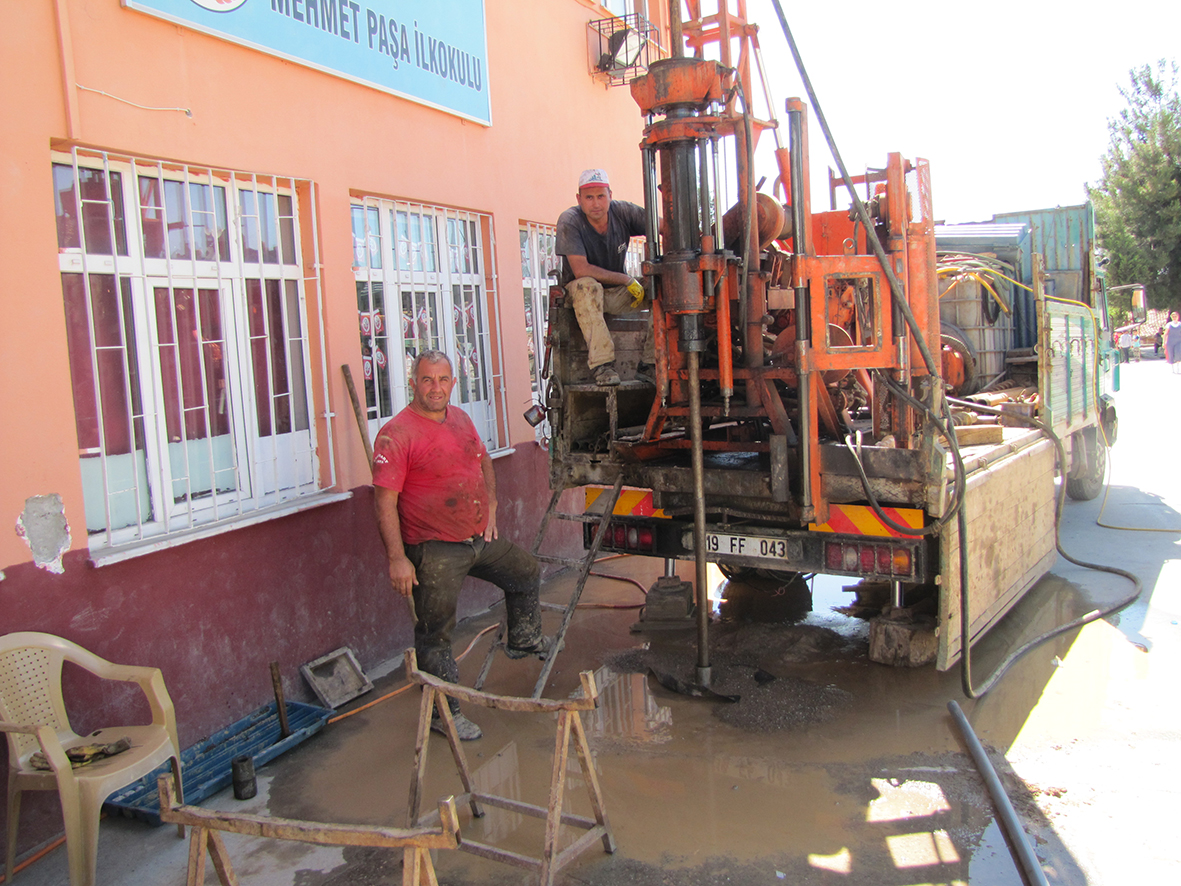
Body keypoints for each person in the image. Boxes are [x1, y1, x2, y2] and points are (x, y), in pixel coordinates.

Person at [372, 350, 550, 741]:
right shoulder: (397, 433)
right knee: (435, 634)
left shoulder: (461, 418)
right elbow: (384, 502)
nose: (435, 387)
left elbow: (483, 460)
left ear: (454, 382)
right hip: (433, 550)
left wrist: (492, 504)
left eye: (442, 379)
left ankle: (524, 638)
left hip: (477, 539)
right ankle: (444, 714)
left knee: (525, 572)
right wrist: (398, 558)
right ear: (413, 384)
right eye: (426, 380)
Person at [556, 168, 651, 386]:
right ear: (579, 199)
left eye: (601, 196)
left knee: (661, 287)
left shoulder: (624, 212)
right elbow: (581, 270)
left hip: (613, 295)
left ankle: (650, 364)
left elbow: (661, 225)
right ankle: (602, 365)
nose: (596, 203)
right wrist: (627, 280)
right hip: (580, 296)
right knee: (587, 286)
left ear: (610, 195)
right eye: (589, 197)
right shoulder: (570, 220)